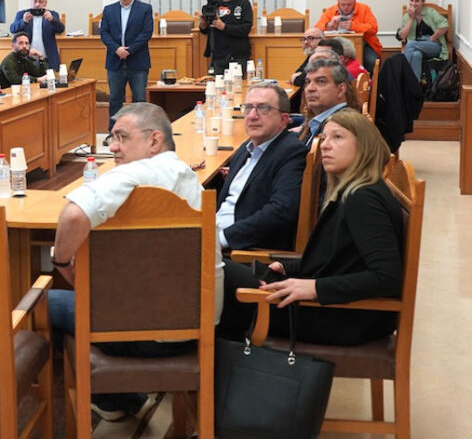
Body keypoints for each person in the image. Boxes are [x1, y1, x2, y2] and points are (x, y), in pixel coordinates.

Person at [47, 102, 224, 422]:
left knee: (44, 301)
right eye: (112, 138)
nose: (113, 147)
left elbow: (73, 216)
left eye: (122, 137)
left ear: (154, 141)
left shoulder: (138, 172)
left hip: (145, 334)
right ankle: (121, 396)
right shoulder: (186, 176)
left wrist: (60, 264)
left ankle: (111, 397)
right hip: (199, 326)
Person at [219, 108, 403, 346]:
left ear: (364, 145)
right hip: (327, 303)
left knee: (213, 273)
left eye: (337, 137)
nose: (325, 145)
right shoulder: (357, 190)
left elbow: (387, 277)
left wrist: (315, 288)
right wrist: (289, 267)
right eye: (324, 138)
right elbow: (340, 257)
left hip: (337, 316)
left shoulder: (363, 199)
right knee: (220, 273)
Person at [215, 84, 307, 252]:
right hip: (214, 233)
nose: (252, 116)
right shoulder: (246, 147)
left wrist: (220, 240)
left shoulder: (291, 152)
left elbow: (281, 211)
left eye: (263, 108)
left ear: (283, 119)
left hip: (242, 250)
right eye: (248, 107)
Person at [99, 0, 153, 133]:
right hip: (115, 61)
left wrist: (129, 50)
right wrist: (117, 49)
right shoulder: (109, 10)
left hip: (138, 61)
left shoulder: (144, 9)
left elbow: (146, 33)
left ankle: (141, 132)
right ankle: (114, 132)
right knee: (115, 99)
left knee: (140, 99)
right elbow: (104, 33)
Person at [198, 0, 253, 77]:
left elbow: (246, 29)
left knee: (236, 85)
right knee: (216, 85)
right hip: (218, 55)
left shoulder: (243, 3)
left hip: (237, 54)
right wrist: (203, 23)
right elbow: (205, 31)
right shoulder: (213, 3)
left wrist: (224, 27)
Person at [315, 0, 381, 73]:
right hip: (335, 47)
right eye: (343, 4)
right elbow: (317, 29)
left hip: (362, 45)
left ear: (354, 1)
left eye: (349, 4)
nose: (346, 7)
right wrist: (328, 26)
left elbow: (373, 28)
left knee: (372, 61)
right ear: (338, 2)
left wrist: (353, 26)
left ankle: (367, 81)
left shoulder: (364, 9)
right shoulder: (331, 11)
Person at [299, 58, 356, 149]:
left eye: (321, 81)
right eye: (308, 82)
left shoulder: (340, 127)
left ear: (340, 90)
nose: (310, 88)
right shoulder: (320, 119)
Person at [396, 0, 449, 81]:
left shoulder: (430, 12)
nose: (413, 3)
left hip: (433, 46)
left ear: (423, 2)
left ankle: (401, 76)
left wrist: (433, 37)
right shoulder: (407, 16)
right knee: (416, 55)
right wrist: (411, 18)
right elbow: (401, 36)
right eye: (411, 0)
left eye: (417, 1)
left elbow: (445, 25)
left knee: (411, 43)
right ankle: (415, 86)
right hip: (415, 46)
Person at [8, 0, 65, 71]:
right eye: (34, 1)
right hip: (27, 60)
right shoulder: (22, 14)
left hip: (47, 60)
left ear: (45, 3)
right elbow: (12, 29)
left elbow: (61, 30)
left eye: (40, 2)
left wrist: (52, 20)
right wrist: (23, 21)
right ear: (30, 2)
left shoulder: (52, 14)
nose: (37, 4)